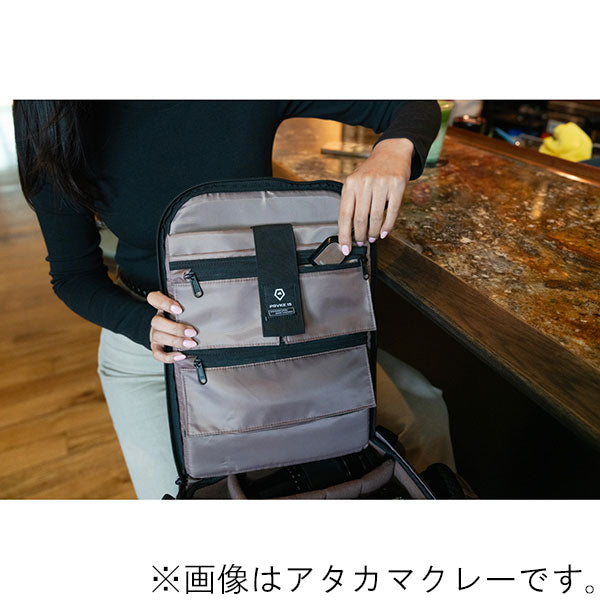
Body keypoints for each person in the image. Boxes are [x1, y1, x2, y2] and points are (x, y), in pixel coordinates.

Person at [13, 100, 454, 498]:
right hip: (156, 351)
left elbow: (411, 105)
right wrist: (139, 323)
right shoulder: (51, 114)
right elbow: (73, 276)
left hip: (266, 325)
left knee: (423, 418)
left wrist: (392, 151)